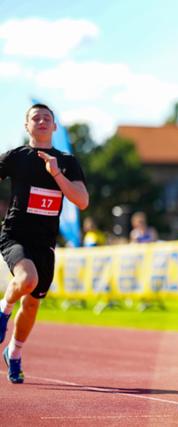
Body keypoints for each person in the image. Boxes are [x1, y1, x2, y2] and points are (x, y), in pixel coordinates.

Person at [0, 104, 89, 383]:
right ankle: (2, 311)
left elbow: (82, 201)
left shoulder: (67, 161)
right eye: (35, 118)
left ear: (54, 127)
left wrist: (56, 174)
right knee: (27, 279)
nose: (41, 121)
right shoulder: (16, 157)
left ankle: (14, 354)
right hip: (16, 235)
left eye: (46, 118)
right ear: (26, 126)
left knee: (32, 304)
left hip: (45, 243)